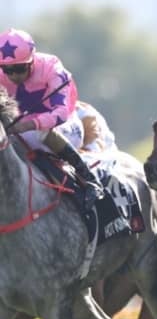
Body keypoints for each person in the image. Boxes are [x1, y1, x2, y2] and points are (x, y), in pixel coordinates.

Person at [0, 28, 103, 211]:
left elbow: (61, 113)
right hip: (21, 129)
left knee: (37, 134)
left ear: (32, 60)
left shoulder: (52, 68)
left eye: (19, 69)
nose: (13, 76)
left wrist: (29, 124)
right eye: (7, 69)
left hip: (65, 127)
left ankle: (89, 179)